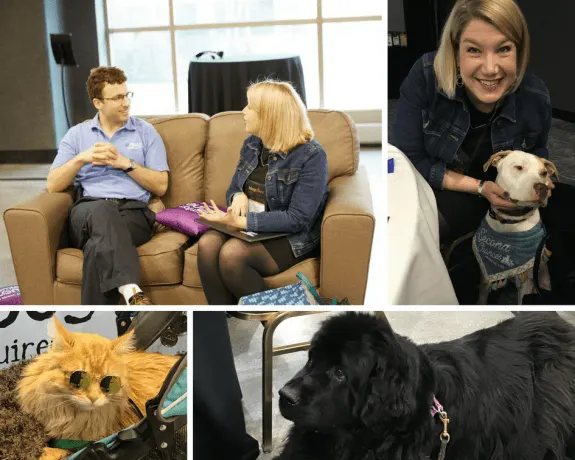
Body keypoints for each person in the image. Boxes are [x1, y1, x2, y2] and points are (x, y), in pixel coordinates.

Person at [392, 0, 575, 304]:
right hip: (446, 184)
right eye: (474, 50)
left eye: (503, 49)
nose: (490, 69)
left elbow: (538, 151)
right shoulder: (425, 76)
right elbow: (406, 157)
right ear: (455, 50)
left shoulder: (535, 95)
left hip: (509, 194)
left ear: (519, 50)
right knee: (409, 237)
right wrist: (479, 187)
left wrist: (543, 179)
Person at [197, 80, 328, 305]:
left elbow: (297, 219)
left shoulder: (311, 155)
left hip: (289, 235)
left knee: (232, 254)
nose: (243, 111)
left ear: (269, 116)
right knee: (207, 245)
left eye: (250, 107)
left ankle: (275, 322)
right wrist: (238, 195)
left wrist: (242, 222)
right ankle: (222, 320)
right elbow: (234, 187)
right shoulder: (252, 144)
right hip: (249, 227)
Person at [47, 66, 169, 305]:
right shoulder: (77, 135)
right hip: (88, 210)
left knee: (96, 249)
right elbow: (53, 184)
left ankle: (96, 325)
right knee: (102, 209)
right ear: (98, 103)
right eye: (117, 98)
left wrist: (125, 163)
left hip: (133, 212)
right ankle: (132, 291)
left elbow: (161, 185)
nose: (126, 103)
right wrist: (82, 158)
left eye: (127, 95)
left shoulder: (145, 132)